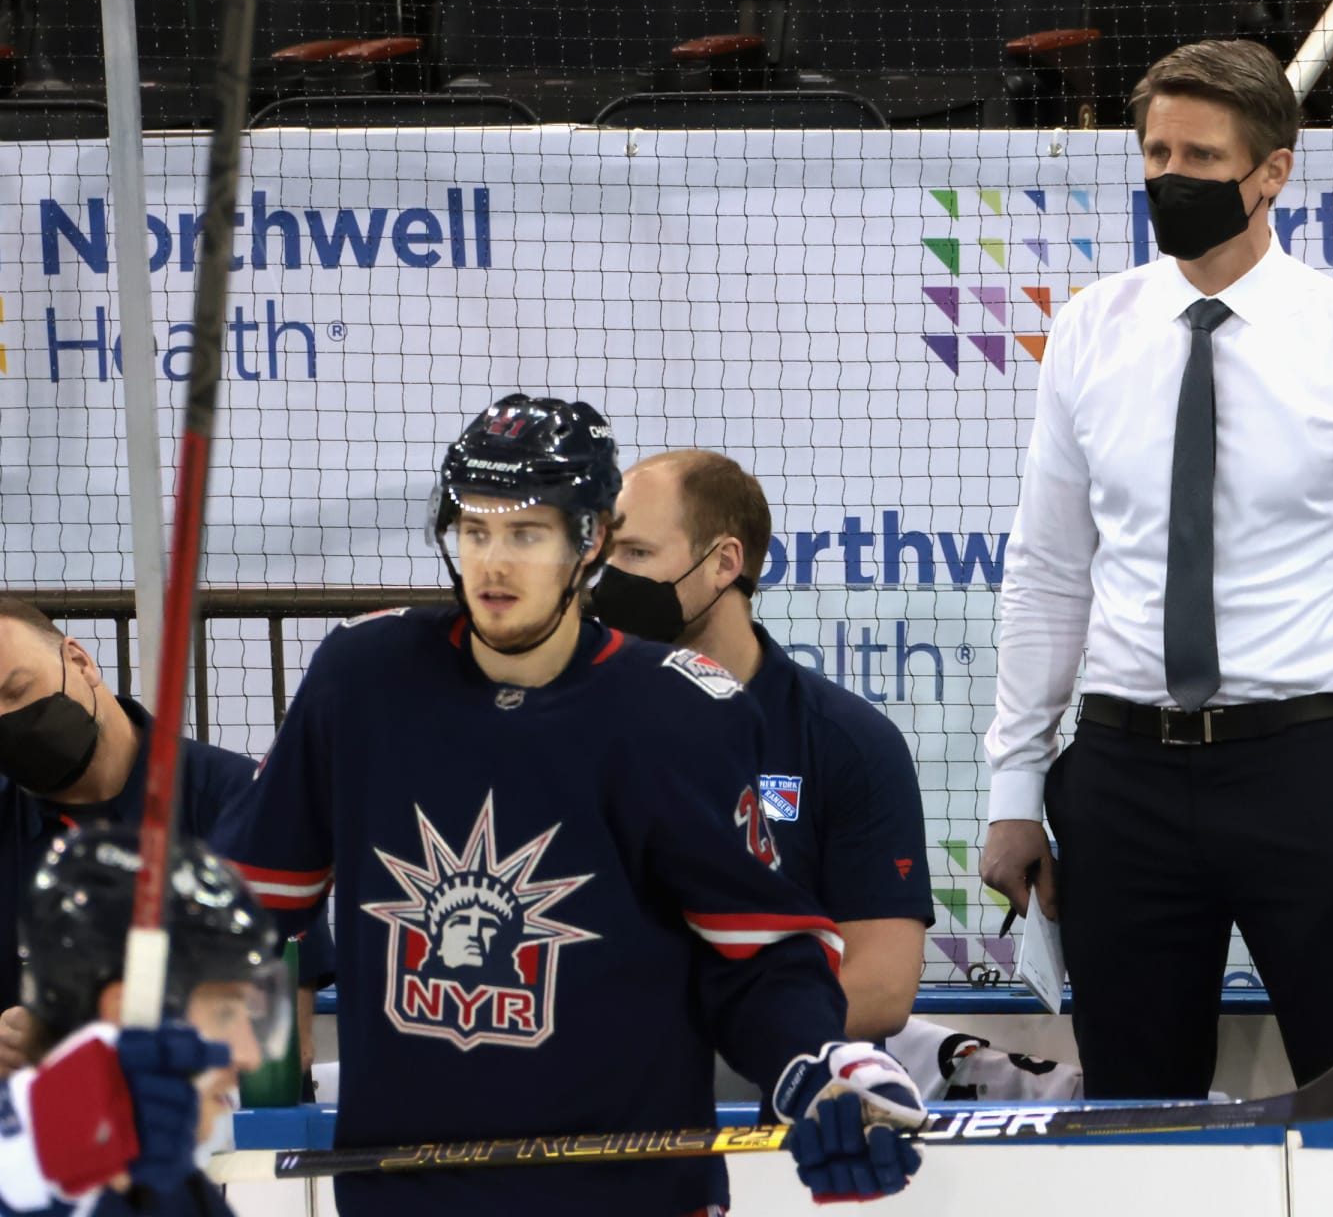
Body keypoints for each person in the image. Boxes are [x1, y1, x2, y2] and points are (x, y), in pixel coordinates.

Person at [212, 395, 927, 1217]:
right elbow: (249, 901)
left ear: (588, 543)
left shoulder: (683, 712)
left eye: (526, 534)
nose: (492, 564)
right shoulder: (362, 681)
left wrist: (820, 1066)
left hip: (626, 1189)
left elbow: (756, 955)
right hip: (405, 1191)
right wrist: (145, 1032)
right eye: (474, 532)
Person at [979, 39, 1333, 1104]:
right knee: (1133, 1107)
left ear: (1273, 172)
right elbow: (1050, 569)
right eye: (1156, 151)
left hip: (1308, 770)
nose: (1172, 177)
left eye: (1201, 156)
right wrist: (1017, 785)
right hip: (1120, 778)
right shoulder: (1089, 333)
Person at [592, 449, 933, 1042]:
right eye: (604, 556)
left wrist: (688, 1038)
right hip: (602, 1098)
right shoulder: (568, 722)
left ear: (724, 562)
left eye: (637, 554)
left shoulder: (846, 742)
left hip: (779, 1096)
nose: (610, 580)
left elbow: (882, 986)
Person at [0, 600, 333, 1084]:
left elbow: (283, 1047)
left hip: (223, 1145)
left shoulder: (239, 804)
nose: (7, 719)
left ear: (80, 661)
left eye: (17, 690)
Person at [0, 825, 289, 1216]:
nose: (249, 1056)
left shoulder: (173, 1187)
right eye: (224, 1012)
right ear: (125, 1013)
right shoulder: (24, 1182)